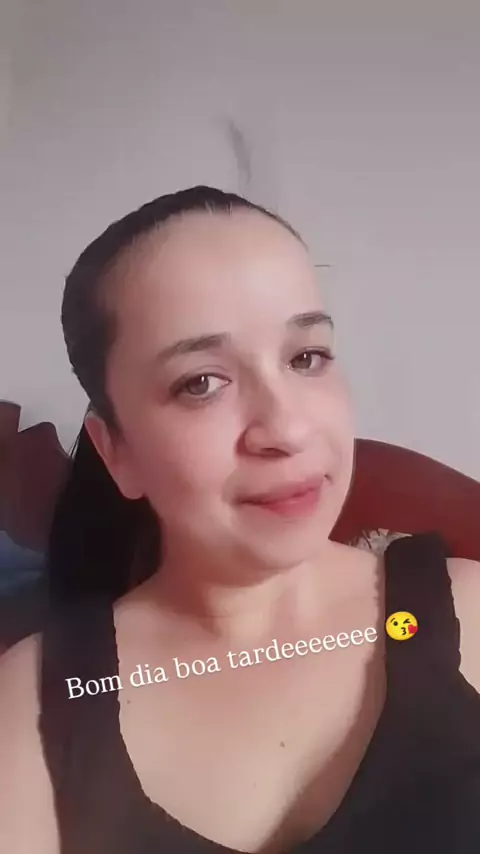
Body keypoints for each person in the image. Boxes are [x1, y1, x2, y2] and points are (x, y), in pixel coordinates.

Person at [1, 186, 480, 854]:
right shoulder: (32, 703)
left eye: (306, 357)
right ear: (117, 453)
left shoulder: (470, 609)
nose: (286, 428)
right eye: (201, 382)